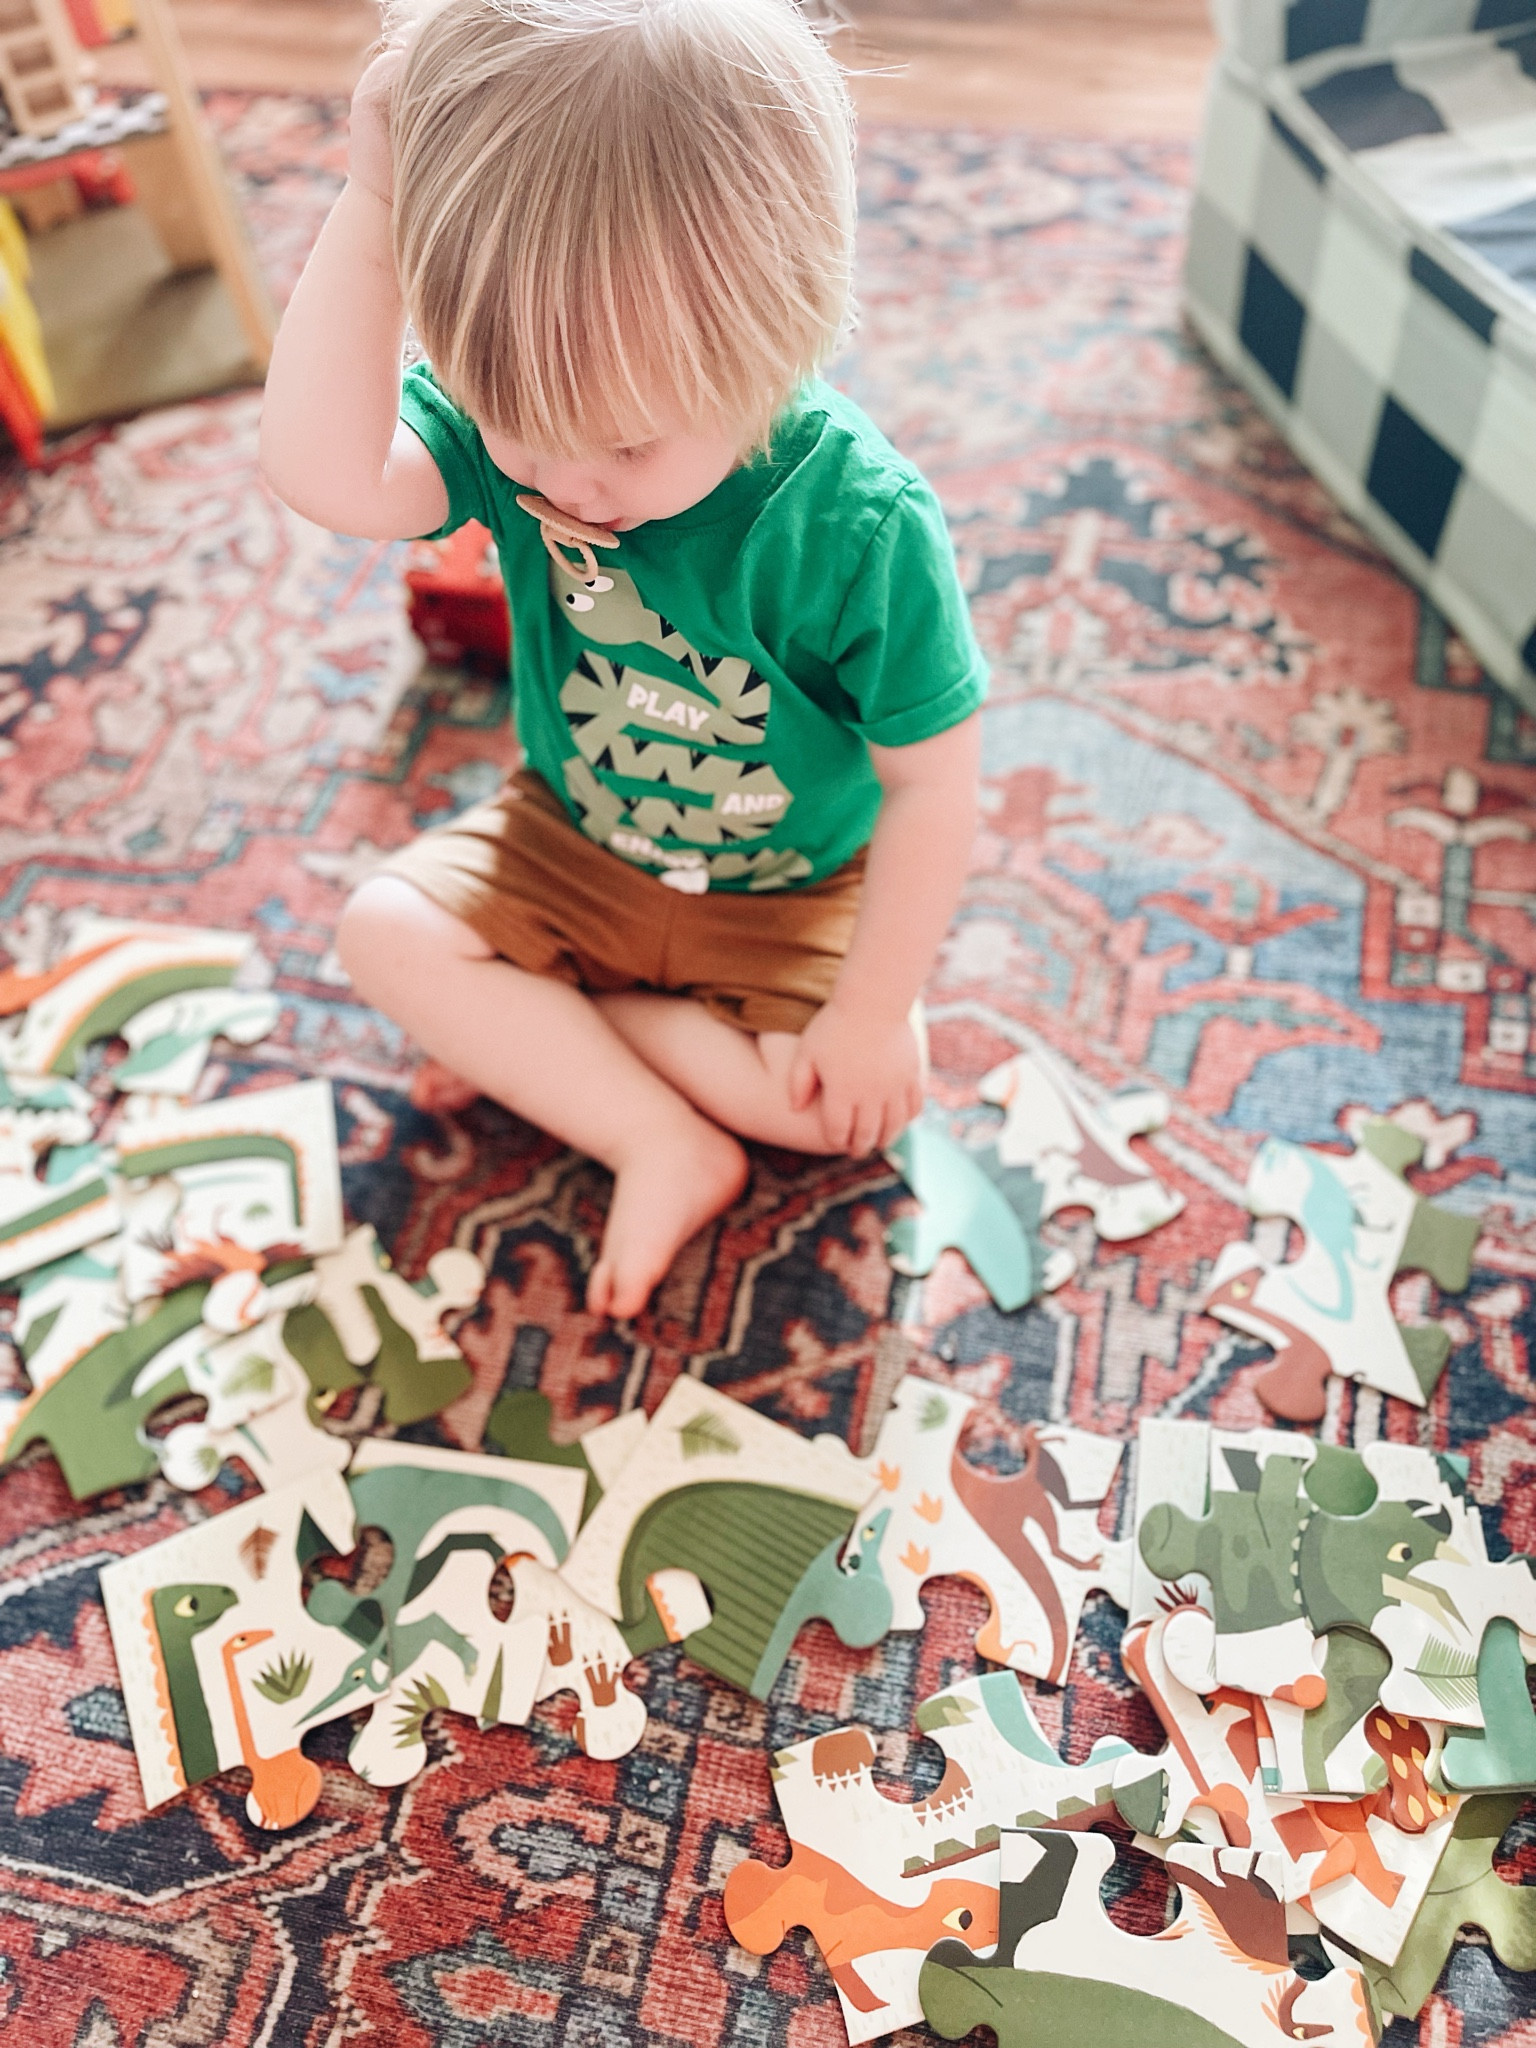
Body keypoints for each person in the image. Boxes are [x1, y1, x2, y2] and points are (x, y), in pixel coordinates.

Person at [259, 0, 986, 1320]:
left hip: (786, 884)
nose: (566, 484)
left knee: (863, 1103)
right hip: (574, 842)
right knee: (382, 933)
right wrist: (375, 195)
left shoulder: (863, 524)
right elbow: (323, 471)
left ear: (778, 335)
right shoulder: (523, 417)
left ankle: (559, 1035)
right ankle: (654, 1134)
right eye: (516, 430)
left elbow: (934, 787)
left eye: (628, 447)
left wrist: (869, 1016)